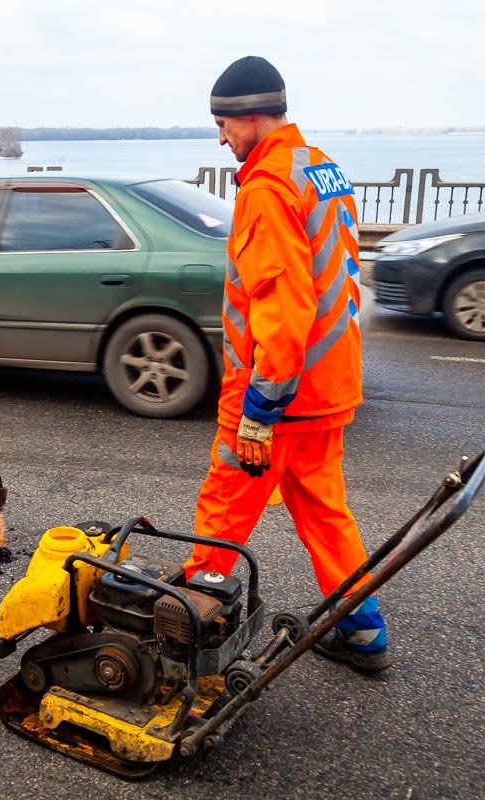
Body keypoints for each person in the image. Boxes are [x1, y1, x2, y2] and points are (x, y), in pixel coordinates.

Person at [183, 57, 388, 673]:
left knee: (225, 508)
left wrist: (259, 409)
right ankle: (363, 631)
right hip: (328, 383)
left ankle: (185, 625)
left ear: (251, 116)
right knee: (325, 512)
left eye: (223, 123)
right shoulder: (320, 168)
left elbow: (283, 304)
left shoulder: (267, 187)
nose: (220, 137)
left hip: (279, 392)